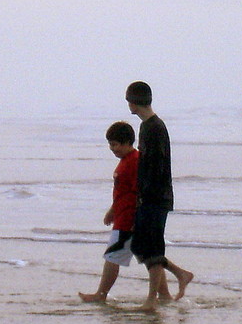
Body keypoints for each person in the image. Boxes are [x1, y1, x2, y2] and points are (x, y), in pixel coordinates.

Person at [78, 121, 171, 303]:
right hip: (122, 216)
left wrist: (138, 218)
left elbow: (139, 192)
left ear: (128, 142)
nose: (112, 149)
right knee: (149, 258)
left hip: (129, 219)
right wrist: (112, 210)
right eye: (110, 144)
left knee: (113, 257)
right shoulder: (125, 161)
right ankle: (166, 294)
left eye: (115, 144)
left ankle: (101, 294)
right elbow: (123, 191)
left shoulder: (135, 161)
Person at [125, 81, 194, 311]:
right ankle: (177, 276)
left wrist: (144, 195)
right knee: (140, 245)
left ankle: (152, 298)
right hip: (151, 196)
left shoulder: (154, 127)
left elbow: (155, 167)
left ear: (133, 102)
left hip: (155, 197)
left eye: (129, 101)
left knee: (152, 249)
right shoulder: (148, 126)